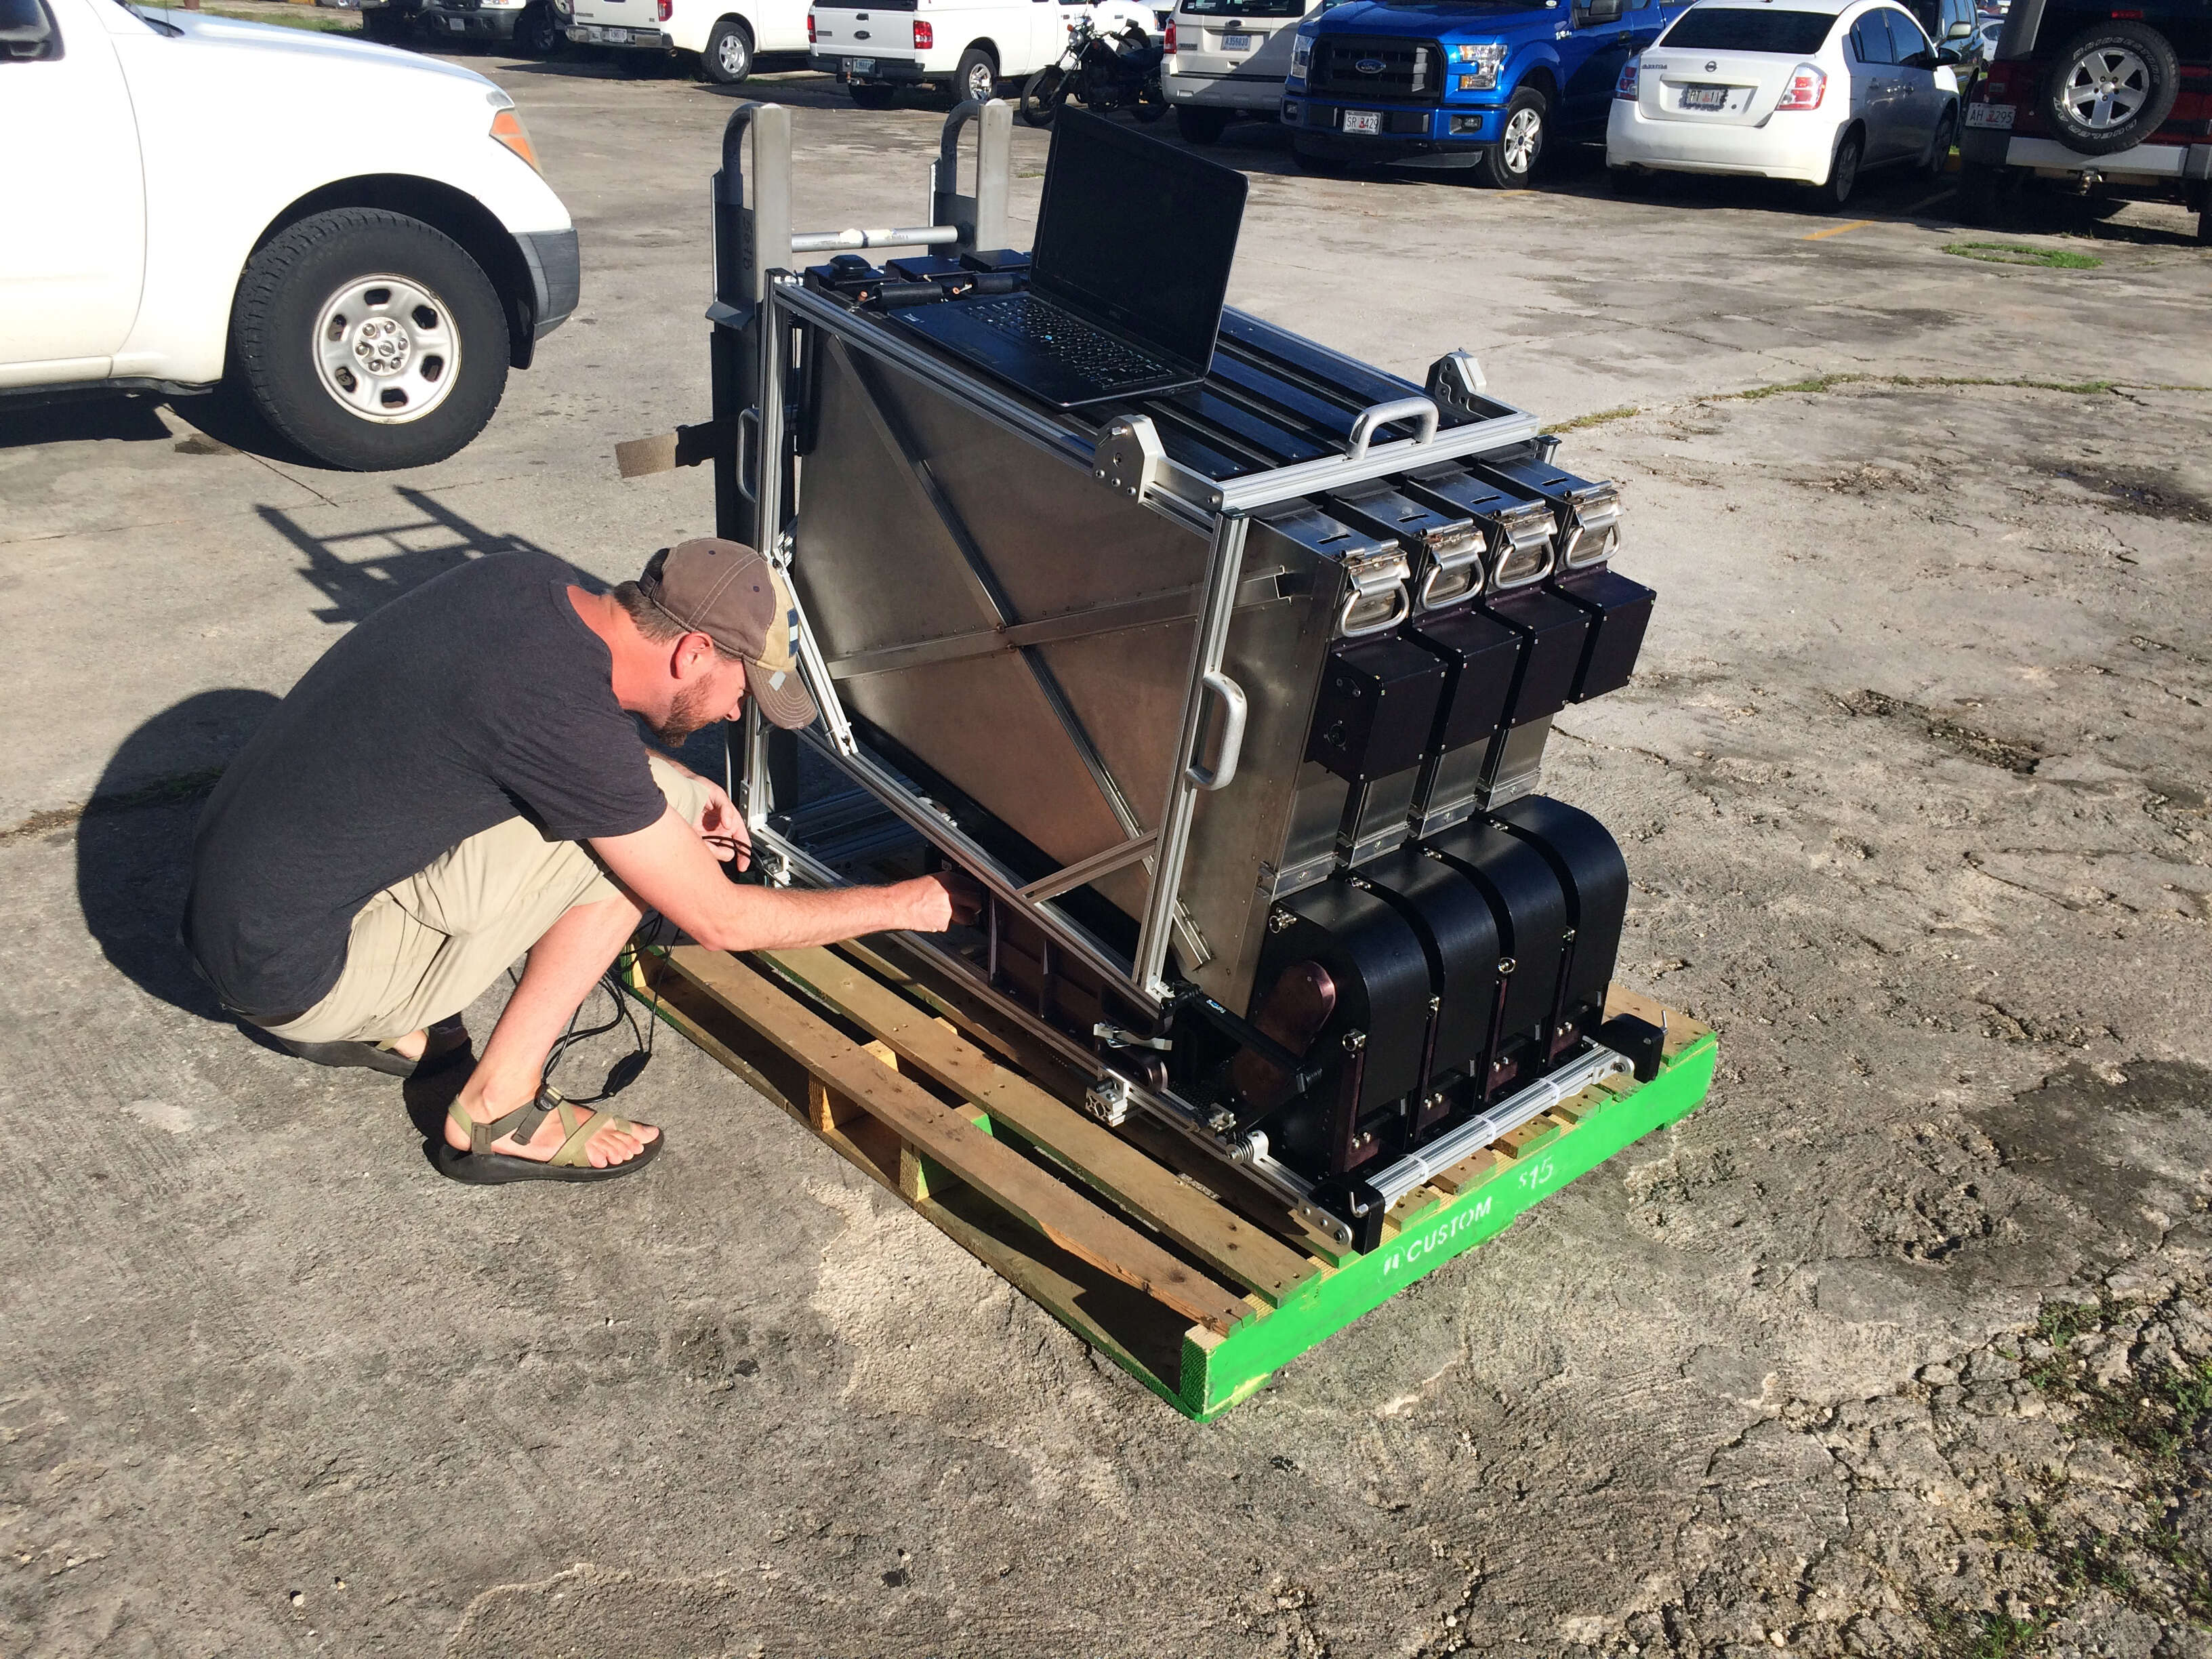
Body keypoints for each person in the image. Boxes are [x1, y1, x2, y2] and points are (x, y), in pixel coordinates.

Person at [183, 538, 979, 1185]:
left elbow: (552, 738)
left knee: (649, 799)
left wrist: (676, 777)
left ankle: (399, 1013)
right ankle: (497, 1109)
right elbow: (721, 917)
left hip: (246, 914)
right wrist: (910, 904)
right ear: (694, 652)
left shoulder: (525, 583)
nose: (740, 712)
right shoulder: (557, 717)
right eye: (743, 689)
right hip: (295, 974)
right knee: (636, 856)